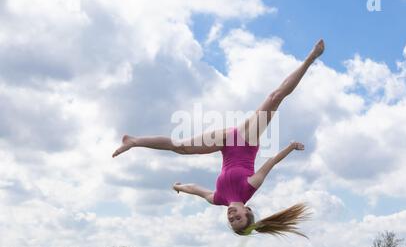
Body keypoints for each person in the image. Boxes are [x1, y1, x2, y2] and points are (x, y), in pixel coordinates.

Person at [112, 39, 325, 236]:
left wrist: (178, 187)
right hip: (245, 140)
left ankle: (133, 141)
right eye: (239, 217)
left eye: (232, 221)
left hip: (224, 143)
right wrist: (290, 147)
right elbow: (271, 162)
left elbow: (195, 189)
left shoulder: (218, 199)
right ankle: (310, 58)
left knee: (181, 147)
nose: (232, 216)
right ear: (247, 210)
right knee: (275, 98)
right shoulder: (250, 188)